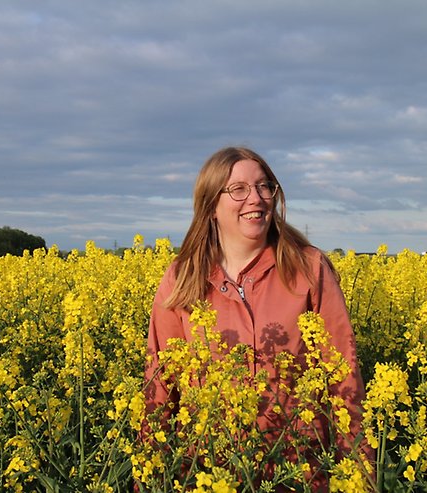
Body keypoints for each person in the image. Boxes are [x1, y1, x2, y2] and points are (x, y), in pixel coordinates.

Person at [143, 146, 369, 490]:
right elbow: (160, 385)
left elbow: (344, 375)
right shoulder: (181, 278)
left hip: (298, 471)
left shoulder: (308, 268)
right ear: (211, 206)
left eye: (264, 186)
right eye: (239, 189)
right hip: (208, 471)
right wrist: (149, 476)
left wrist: (359, 474)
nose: (257, 198)